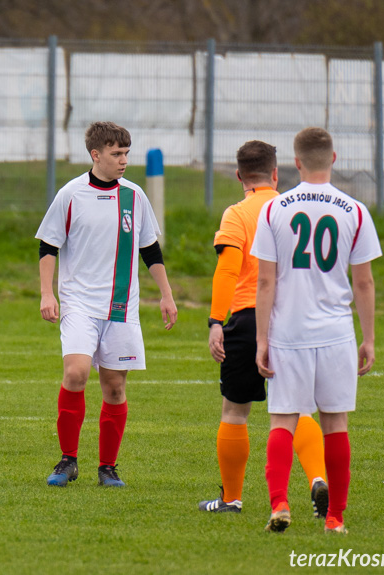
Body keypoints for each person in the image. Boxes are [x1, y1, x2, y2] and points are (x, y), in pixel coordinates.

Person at [252, 127, 381, 534]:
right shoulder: (354, 211)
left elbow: (265, 282)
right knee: (335, 423)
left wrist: (261, 339)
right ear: (334, 158)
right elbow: (363, 283)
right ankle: (335, 519)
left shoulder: (275, 210)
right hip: (336, 332)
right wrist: (370, 337)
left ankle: (279, 505)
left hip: (288, 331)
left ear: (295, 162)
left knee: (282, 421)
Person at [36, 121, 177, 488]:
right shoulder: (70, 194)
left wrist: (166, 294)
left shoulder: (135, 196)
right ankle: (67, 461)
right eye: (116, 154)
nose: (124, 160)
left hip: (122, 308)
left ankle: (107, 467)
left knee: (114, 388)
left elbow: (150, 249)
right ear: (96, 155)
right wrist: (47, 293)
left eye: (127, 153)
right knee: (76, 373)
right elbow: (48, 245)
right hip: (79, 304)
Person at [198, 141, 329, 517]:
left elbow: (227, 269)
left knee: (235, 411)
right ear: (276, 173)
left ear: (240, 176)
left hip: (247, 314)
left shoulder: (237, 214)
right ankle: (317, 478)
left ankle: (232, 499)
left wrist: (215, 321)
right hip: (293, 317)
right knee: (299, 408)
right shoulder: (294, 209)